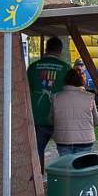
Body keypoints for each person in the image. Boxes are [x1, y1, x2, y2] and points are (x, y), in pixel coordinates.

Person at [27, 37, 70, 168]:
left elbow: (27, 91)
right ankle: (65, 176)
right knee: (66, 153)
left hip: (38, 115)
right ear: (60, 50)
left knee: (37, 152)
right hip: (59, 117)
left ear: (46, 48)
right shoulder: (66, 68)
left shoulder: (33, 67)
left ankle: (37, 177)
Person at [52, 69, 98, 156]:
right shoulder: (89, 97)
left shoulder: (56, 97)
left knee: (66, 164)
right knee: (82, 164)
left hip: (63, 139)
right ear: (82, 80)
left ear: (66, 80)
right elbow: (96, 119)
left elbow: (51, 119)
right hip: (85, 139)